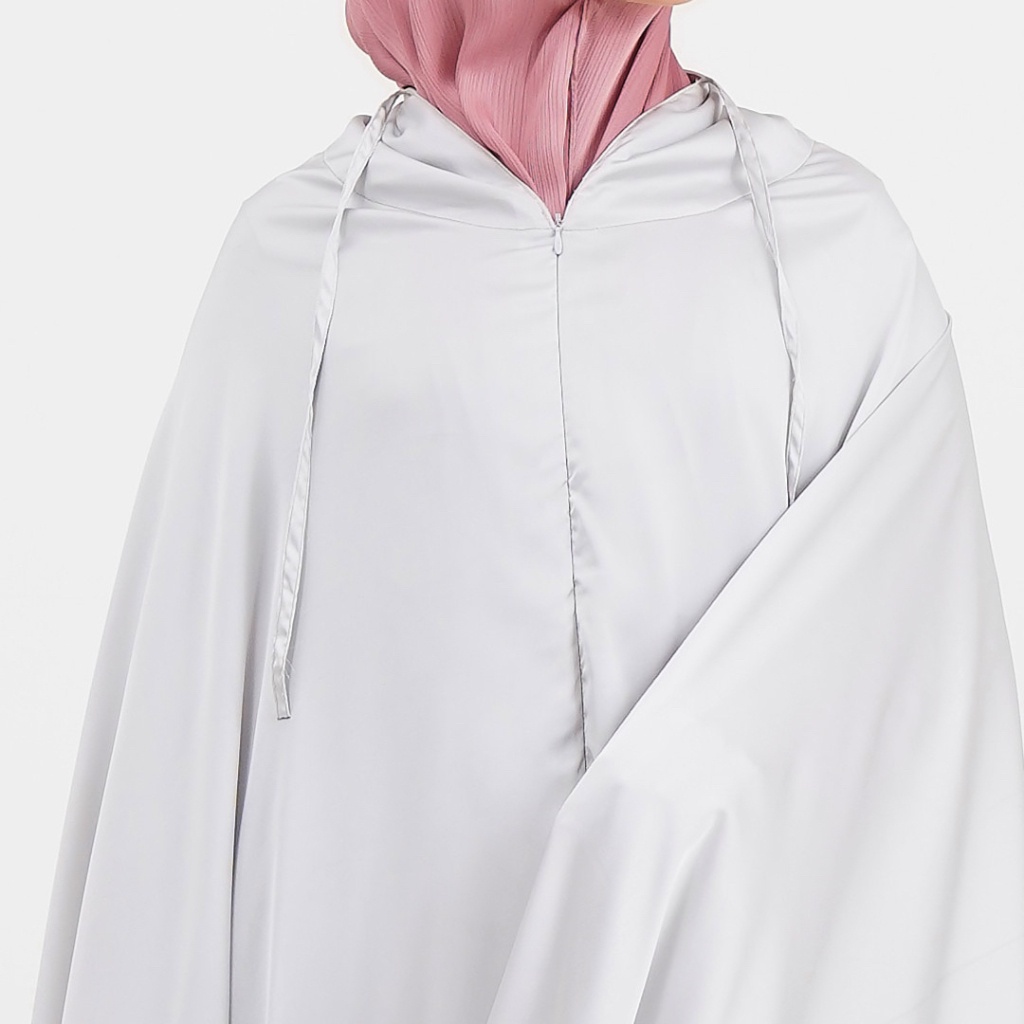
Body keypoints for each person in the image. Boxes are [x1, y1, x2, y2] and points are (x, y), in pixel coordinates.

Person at [31, 2, 1024, 1022]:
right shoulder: (296, 268)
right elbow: (177, 763)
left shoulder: (830, 255)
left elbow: (927, 750)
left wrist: (652, 823)